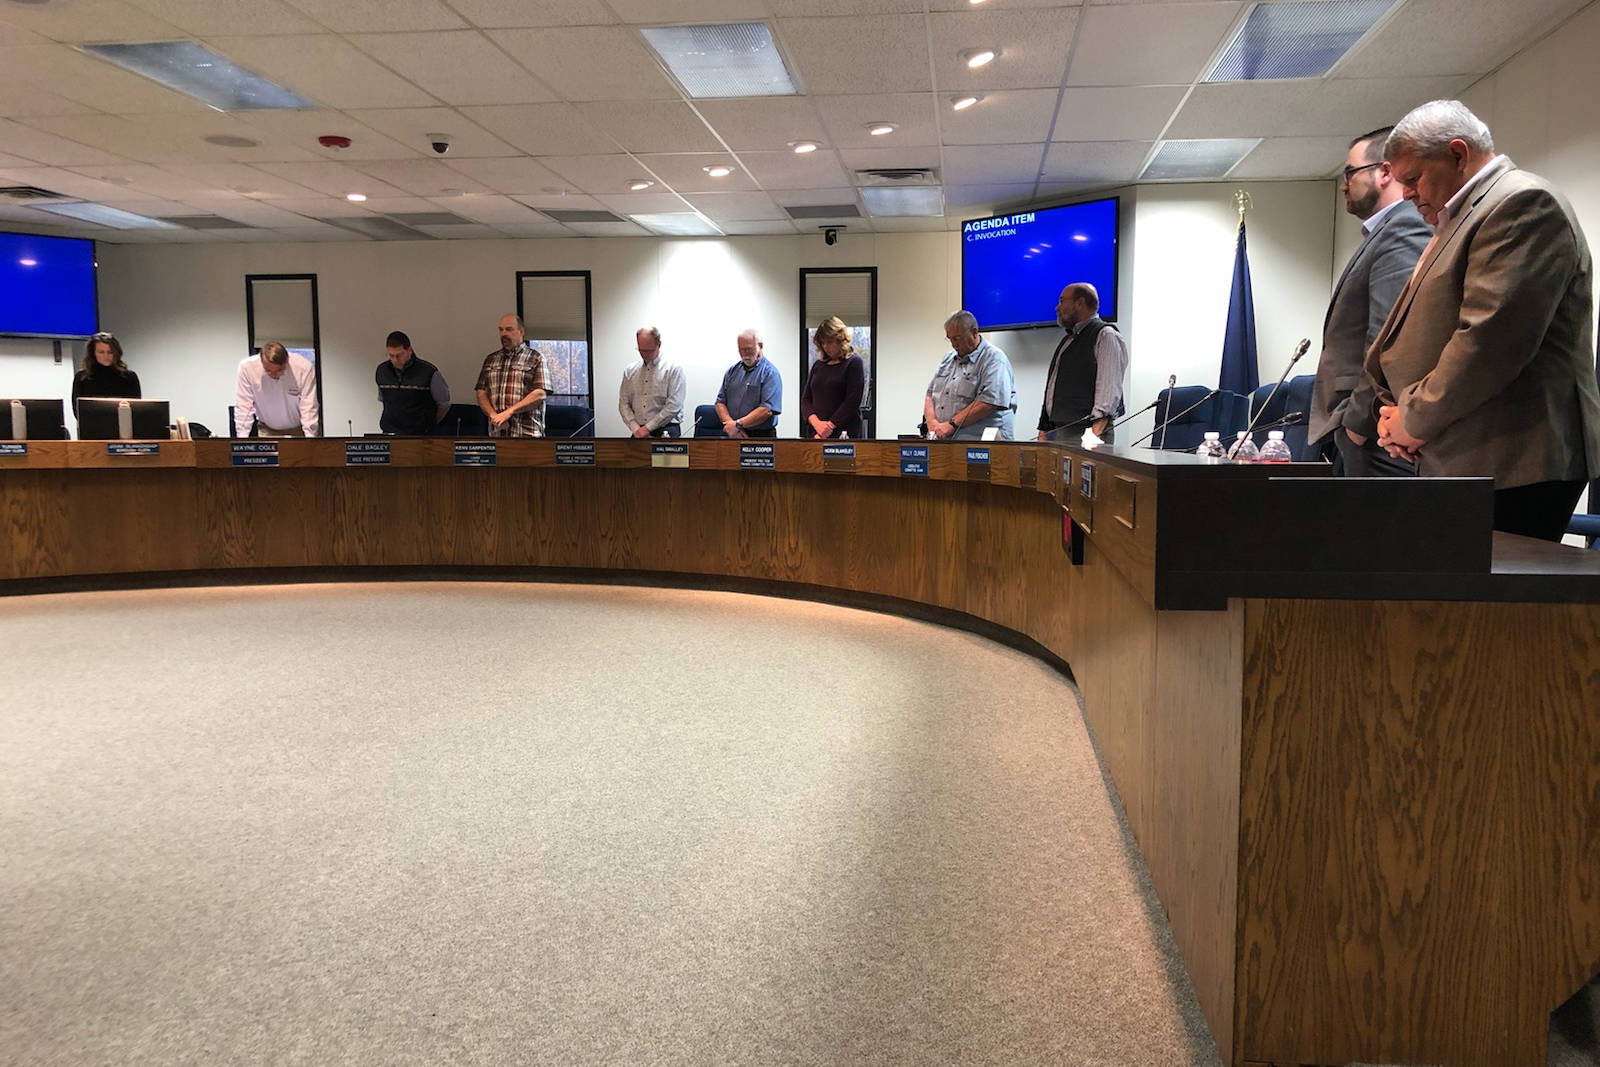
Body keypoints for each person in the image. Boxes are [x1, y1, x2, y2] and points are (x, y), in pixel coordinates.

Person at [1365, 99, 1600, 541]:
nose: (1407, 193)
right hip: (1467, 451)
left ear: (1457, 154)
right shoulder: (1460, 217)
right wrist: (1394, 415)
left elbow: (1489, 342)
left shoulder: (1522, 203)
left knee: (1487, 610)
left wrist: (1412, 421)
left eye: (1413, 179)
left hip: (1514, 459)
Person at [1308, 126, 1431, 476]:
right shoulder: (1385, 230)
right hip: (1364, 428)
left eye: (1350, 172)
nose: (1344, 183)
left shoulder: (1405, 226)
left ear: (1385, 172)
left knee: (1375, 531)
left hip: (1375, 430)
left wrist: (1357, 424)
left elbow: (1391, 337)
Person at [1036, 283, 1126, 442]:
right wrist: (1044, 429)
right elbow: (1052, 388)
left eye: (1062, 301)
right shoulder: (1068, 340)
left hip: (1088, 435)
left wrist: (1093, 434)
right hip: (1061, 432)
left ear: (1079, 304)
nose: (1057, 307)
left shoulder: (1106, 335)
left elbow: (1108, 391)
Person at [924, 310, 1017, 440]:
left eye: (957, 338)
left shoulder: (994, 359)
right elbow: (929, 395)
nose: (953, 344)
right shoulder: (948, 359)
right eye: (949, 339)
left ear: (974, 332)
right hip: (947, 443)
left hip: (981, 447)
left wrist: (951, 425)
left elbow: (988, 402)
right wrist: (932, 424)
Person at [475, 313, 547, 438]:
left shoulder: (536, 358)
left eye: (509, 329)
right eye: (501, 330)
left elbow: (540, 393)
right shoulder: (491, 359)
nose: (504, 334)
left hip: (527, 435)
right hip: (497, 434)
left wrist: (509, 412)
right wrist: (494, 416)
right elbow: (481, 392)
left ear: (521, 331)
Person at [234, 341, 319, 438]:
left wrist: (310, 439)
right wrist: (242, 440)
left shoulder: (303, 368)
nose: (275, 375)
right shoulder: (247, 368)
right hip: (266, 429)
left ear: (287, 360)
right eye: (268, 371)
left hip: (299, 430)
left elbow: (309, 407)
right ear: (261, 361)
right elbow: (244, 406)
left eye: (280, 370)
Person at [800, 316, 865, 440]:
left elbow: (852, 401)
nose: (825, 346)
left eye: (829, 342)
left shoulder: (854, 363)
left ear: (840, 339)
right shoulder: (818, 366)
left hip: (843, 433)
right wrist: (817, 424)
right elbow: (806, 400)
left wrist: (828, 427)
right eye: (822, 343)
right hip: (816, 433)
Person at [375, 330, 450, 435]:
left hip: (420, 435)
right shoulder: (382, 371)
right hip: (390, 433)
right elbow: (383, 400)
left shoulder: (428, 372)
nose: (395, 360)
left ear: (409, 350)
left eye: (399, 355)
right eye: (391, 355)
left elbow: (444, 405)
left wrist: (428, 425)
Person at [618, 326, 686, 438]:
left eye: (649, 350)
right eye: (641, 350)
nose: (644, 354)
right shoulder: (630, 371)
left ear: (659, 345)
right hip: (638, 430)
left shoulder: (673, 369)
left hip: (666, 428)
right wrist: (636, 429)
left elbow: (674, 405)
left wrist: (647, 428)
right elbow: (624, 404)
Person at [715, 329, 781, 438]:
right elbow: (720, 402)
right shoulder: (732, 371)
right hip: (733, 434)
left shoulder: (770, 373)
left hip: (761, 437)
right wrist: (732, 426)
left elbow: (766, 410)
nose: (744, 353)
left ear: (760, 345)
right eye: (741, 350)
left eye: (748, 349)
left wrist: (738, 424)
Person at [71, 332, 141, 422]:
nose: (106, 356)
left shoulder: (129, 377)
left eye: (110, 352)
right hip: (92, 427)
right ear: (93, 353)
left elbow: (136, 408)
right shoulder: (82, 377)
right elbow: (78, 411)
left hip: (122, 425)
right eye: (101, 352)